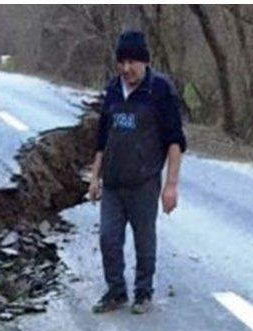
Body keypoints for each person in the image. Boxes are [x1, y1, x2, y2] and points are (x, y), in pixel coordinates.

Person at [88, 30, 186, 315]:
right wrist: (95, 176)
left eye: (132, 62)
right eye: (122, 61)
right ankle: (116, 291)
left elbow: (175, 141)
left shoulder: (160, 91)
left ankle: (143, 291)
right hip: (113, 183)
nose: (126, 68)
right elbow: (103, 136)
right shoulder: (113, 89)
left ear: (145, 62)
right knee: (108, 238)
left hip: (144, 183)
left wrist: (171, 185)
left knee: (144, 239)